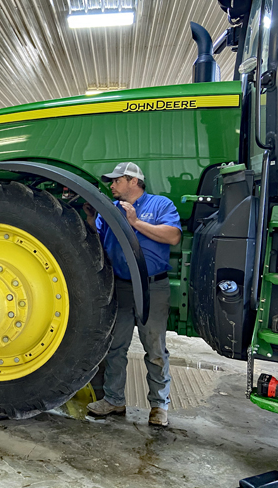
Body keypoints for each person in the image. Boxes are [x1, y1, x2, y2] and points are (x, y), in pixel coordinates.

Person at [83, 162, 181, 427]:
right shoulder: (110, 211)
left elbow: (173, 237)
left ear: (133, 181)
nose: (111, 185)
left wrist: (135, 222)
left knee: (155, 348)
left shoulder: (160, 205)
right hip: (122, 287)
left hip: (152, 287)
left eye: (116, 181)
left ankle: (159, 406)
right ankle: (114, 400)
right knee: (116, 346)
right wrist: (92, 222)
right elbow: (101, 243)